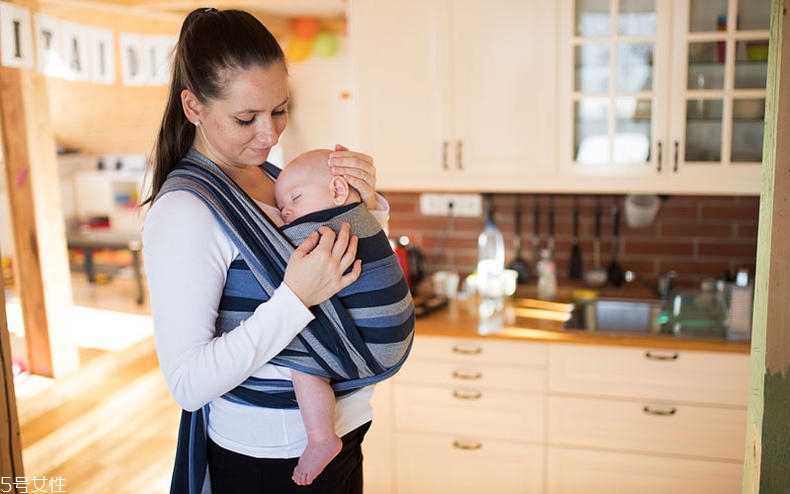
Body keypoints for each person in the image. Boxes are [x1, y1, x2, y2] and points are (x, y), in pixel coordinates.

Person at [141, 8, 392, 494]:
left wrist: (364, 207)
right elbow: (188, 383)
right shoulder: (185, 213)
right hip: (272, 459)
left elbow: (336, 275)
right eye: (245, 118)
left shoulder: (278, 180)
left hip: (342, 436)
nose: (270, 134)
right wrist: (295, 298)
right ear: (193, 107)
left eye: (279, 110)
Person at [273, 149, 414, 485]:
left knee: (303, 364)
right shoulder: (361, 219)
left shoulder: (321, 232)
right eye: (281, 208)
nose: (286, 212)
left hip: (374, 343)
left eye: (295, 198)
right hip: (392, 338)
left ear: (337, 190)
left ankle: (321, 436)